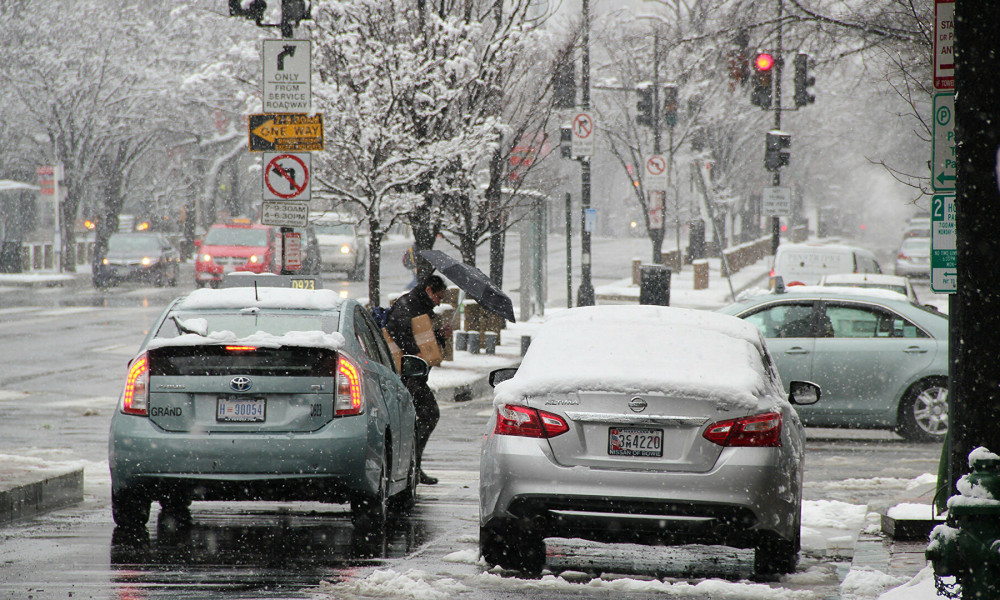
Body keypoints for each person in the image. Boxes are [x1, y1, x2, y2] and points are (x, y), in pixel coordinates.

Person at [384, 274, 451, 485]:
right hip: (407, 377)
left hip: (414, 375)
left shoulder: (419, 306)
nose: (440, 301)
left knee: (420, 419)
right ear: (430, 290)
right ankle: (411, 466)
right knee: (429, 414)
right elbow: (398, 332)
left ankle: (412, 466)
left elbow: (421, 336)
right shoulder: (409, 304)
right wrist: (415, 352)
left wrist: (440, 336)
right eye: (439, 296)